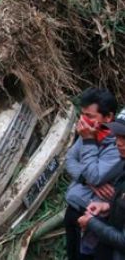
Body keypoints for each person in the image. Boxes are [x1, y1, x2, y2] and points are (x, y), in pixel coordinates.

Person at [65, 87, 122, 260]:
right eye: (82, 114)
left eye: (90, 116)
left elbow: (95, 176)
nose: (83, 120)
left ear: (108, 117)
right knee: (72, 252)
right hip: (74, 206)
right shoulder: (87, 133)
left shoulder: (117, 146)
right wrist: (85, 180)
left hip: (94, 216)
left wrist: (89, 141)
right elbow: (69, 160)